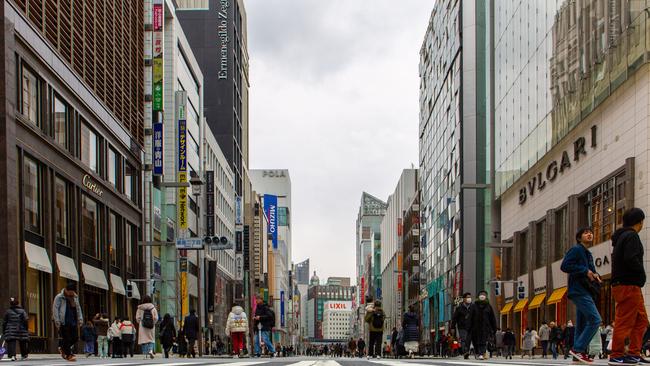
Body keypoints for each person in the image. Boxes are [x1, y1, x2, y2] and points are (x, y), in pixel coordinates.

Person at [610, 208, 650, 365]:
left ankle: (633, 352)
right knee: (625, 320)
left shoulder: (622, 237)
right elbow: (631, 258)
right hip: (628, 284)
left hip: (628, 284)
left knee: (641, 320)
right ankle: (616, 354)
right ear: (639, 222)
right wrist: (642, 274)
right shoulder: (631, 236)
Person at [561, 227, 602, 364]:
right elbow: (565, 266)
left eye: (591, 232)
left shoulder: (587, 253)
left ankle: (577, 356)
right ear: (579, 238)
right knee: (595, 320)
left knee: (582, 323)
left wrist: (595, 275)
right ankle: (578, 349)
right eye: (586, 233)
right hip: (579, 291)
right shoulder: (577, 250)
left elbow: (590, 271)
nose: (589, 234)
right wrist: (584, 270)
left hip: (585, 291)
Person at [52, 282, 83, 362]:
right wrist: (57, 321)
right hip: (63, 322)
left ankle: (63, 348)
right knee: (67, 338)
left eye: (73, 291)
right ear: (66, 290)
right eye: (70, 291)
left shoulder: (75, 297)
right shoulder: (59, 297)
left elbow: (78, 308)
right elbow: (55, 309)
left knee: (75, 338)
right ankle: (69, 355)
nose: (71, 293)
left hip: (73, 321)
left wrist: (80, 319)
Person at [468, 290, 496, 360]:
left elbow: (492, 318)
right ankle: (478, 352)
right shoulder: (474, 306)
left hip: (485, 327)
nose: (482, 296)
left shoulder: (488, 306)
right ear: (478, 296)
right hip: (475, 327)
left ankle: (481, 353)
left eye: (484, 294)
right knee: (476, 341)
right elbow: (470, 317)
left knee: (483, 340)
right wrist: (468, 326)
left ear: (486, 296)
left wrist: (494, 328)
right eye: (481, 294)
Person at [451, 292, 474, 359]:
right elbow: (454, 318)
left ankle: (466, 350)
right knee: (463, 339)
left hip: (471, 327)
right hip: (462, 327)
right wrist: (452, 327)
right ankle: (465, 352)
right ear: (464, 299)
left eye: (470, 297)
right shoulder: (459, 308)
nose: (469, 298)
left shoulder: (473, 307)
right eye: (467, 297)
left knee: (468, 340)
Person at [136, 295, 158, 359]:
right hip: (151, 326)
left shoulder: (140, 308)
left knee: (144, 340)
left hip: (143, 326)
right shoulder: (153, 308)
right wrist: (153, 323)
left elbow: (137, 318)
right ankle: (150, 350)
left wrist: (140, 322)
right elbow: (156, 318)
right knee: (150, 339)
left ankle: (145, 355)